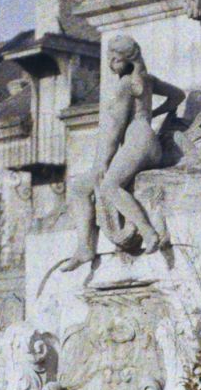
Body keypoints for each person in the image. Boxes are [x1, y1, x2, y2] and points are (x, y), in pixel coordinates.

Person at [61, 36, 184, 271]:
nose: (110, 63)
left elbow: (114, 131)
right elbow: (178, 96)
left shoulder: (124, 86)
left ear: (127, 59)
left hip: (137, 143)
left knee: (108, 185)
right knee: (79, 187)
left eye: (114, 59)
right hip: (149, 142)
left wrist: (101, 163)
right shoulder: (147, 80)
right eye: (109, 58)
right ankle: (85, 247)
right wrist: (152, 114)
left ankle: (148, 233)